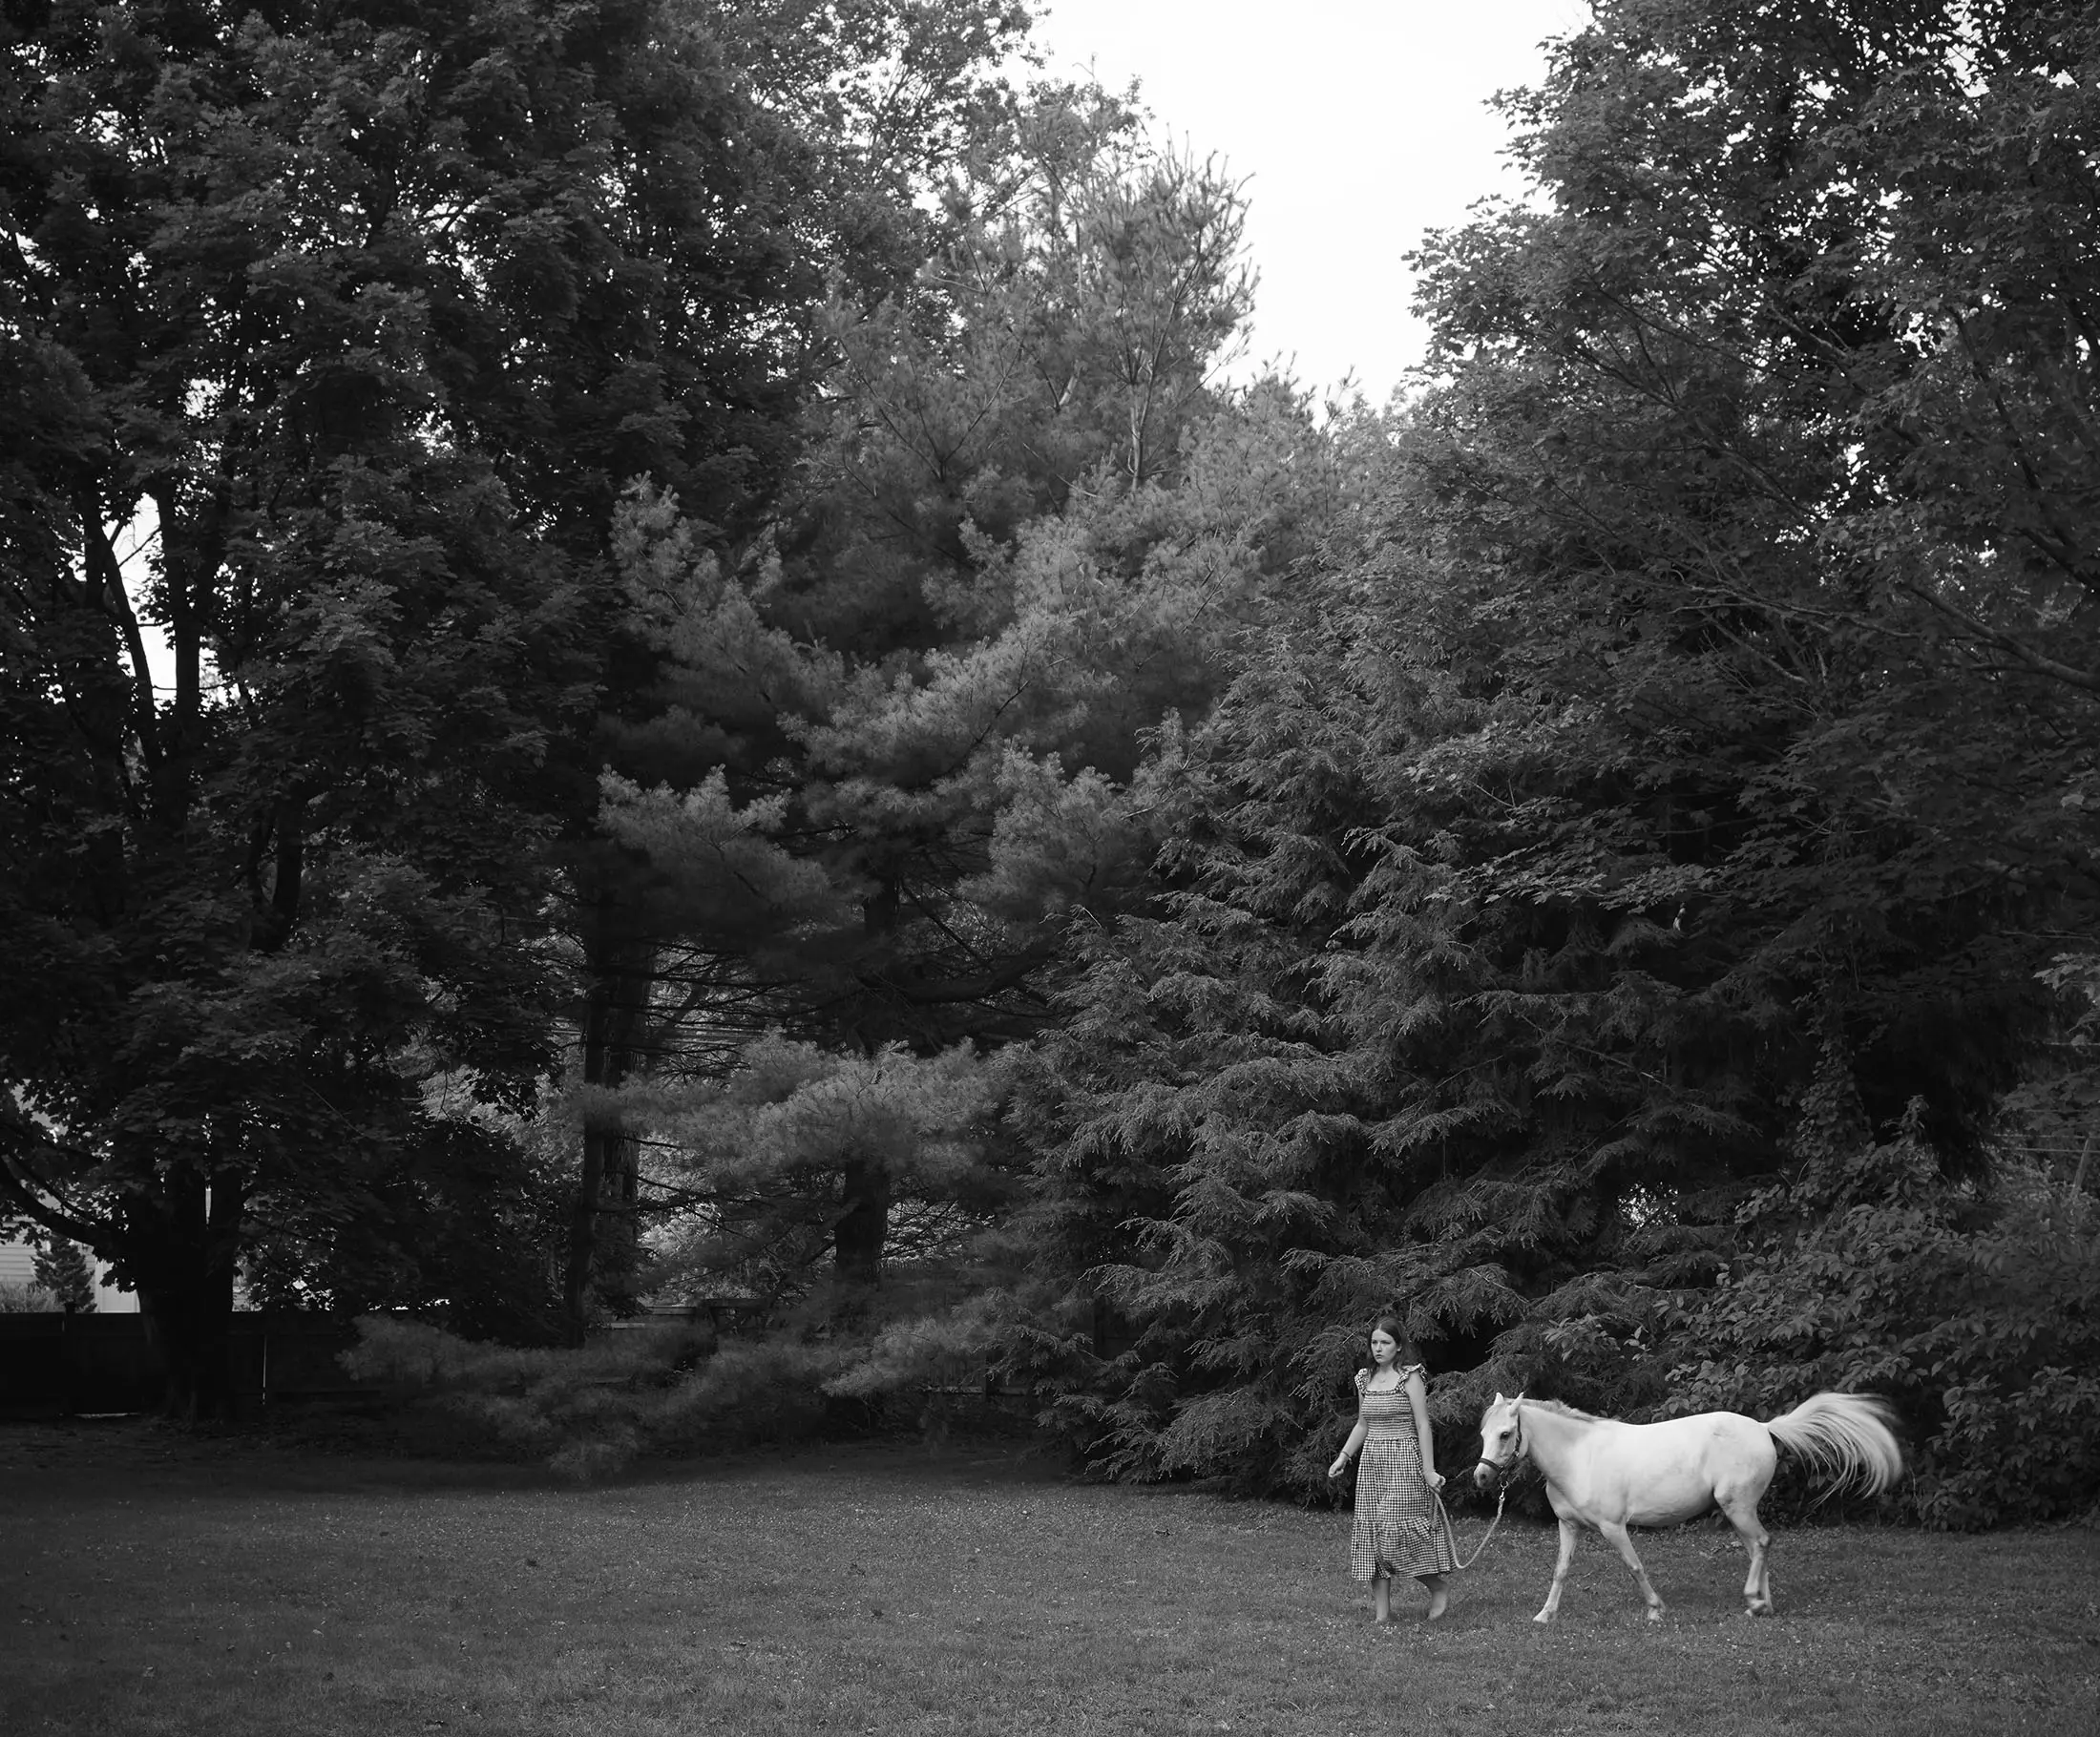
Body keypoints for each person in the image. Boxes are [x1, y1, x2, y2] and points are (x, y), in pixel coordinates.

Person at [1327, 1316, 1458, 1622]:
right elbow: (1363, 1423)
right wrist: (1344, 1456)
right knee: (1373, 1536)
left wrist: (1429, 1469)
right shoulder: (1364, 1379)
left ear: (1399, 1347)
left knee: (1395, 1535)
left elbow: (1423, 1424)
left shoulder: (1409, 1377)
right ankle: (1381, 1616)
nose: (1378, 1348)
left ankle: (1438, 1587)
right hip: (1372, 1464)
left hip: (1405, 1462)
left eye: (1385, 1343)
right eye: (1374, 1342)